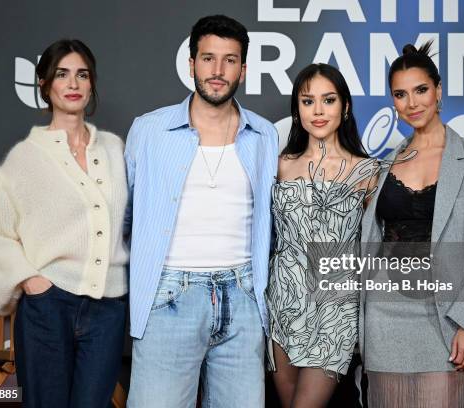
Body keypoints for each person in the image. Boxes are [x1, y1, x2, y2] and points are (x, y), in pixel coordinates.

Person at [125, 15, 278, 408]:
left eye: (230, 60)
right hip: (169, 297)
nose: (218, 71)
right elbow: (123, 218)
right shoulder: (149, 130)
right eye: (208, 59)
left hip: (243, 299)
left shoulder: (264, 134)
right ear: (191, 64)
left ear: (243, 69)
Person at [359, 41, 464, 407]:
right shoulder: (380, 168)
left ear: (438, 91)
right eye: (400, 94)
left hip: (447, 318)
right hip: (384, 317)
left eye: (421, 90)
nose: (412, 103)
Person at [0, 39, 129, 407]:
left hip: (108, 309)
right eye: (62, 75)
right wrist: (34, 284)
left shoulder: (114, 149)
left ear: (92, 83)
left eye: (82, 75)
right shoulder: (26, 156)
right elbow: (0, 232)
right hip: (49, 305)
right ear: (45, 85)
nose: (73, 84)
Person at [267, 63, 380, 407]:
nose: (317, 111)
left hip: (335, 307)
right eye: (307, 101)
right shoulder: (280, 163)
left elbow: (377, 250)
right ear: (297, 109)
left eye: (328, 100)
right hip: (283, 304)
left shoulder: (369, 171)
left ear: (345, 107)